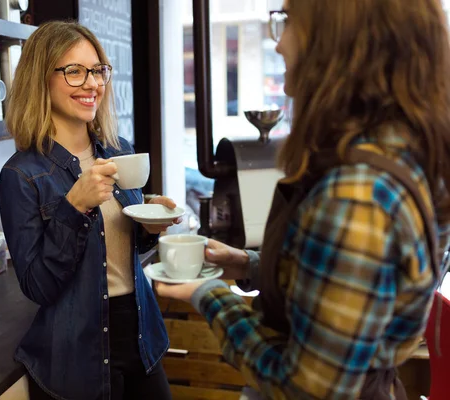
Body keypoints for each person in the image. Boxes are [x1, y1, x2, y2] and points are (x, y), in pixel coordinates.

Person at [156, 0, 450, 399]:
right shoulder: (408, 156)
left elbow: (306, 388)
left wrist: (208, 296)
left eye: (289, 21)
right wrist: (250, 265)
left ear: (339, 42)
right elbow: (358, 292)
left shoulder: (357, 197)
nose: (279, 45)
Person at [0, 21, 176, 400]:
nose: (92, 83)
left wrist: (151, 225)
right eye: (74, 71)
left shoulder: (118, 150)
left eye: (97, 70)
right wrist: (74, 206)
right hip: (75, 354)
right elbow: (38, 287)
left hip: (142, 335)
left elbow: (119, 251)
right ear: (40, 79)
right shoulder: (22, 175)